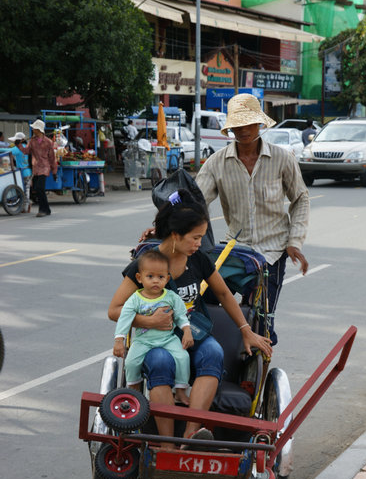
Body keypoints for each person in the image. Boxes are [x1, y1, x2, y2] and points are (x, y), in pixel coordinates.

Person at [108, 189, 272, 445]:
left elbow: (225, 294)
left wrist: (245, 330)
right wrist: (149, 321)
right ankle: (166, 442)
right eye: (195, 238)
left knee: (213, 353)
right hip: (154, 338)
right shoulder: (147, 265)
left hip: (191, 332)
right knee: (160, 361)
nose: (199, 243)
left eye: (201, 237)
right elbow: (115, 309)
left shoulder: (199, 261)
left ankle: (190, 434)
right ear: (175, 236)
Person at [195, 93, 310, 346]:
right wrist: (161, 227)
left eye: (248, 123)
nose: (243, 130)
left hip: (272, 251)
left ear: (259, 124)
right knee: (201, 304)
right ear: (231, 127)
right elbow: (193, 203)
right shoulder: (216, 163)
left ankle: (255, 376)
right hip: (235, 250)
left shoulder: (282, 159)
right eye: (238, 124)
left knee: (262, 323)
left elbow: (300, 199)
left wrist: (294, 242)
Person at [113, 249, 193, 406]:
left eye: (161, 277)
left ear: (167, 279)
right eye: (150, 276)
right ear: (139, 278)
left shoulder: (171, 297)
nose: (155, 281)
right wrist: (118, 340)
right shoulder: (135, 299)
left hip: (167, 338)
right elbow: (125, 319)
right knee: (131, 362)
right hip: (143, 341)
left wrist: (187, 331)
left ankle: (181, 391)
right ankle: (134, 390)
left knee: (183, 357)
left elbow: (181, 316)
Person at [18, 119, 57, 217]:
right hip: (36, 168)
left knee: (40, 188)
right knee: (37, 189)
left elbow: (52, 157)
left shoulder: (48, 142)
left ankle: (42, 210)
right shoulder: (32, 141)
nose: (33, 130)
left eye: (34, 128)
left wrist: (54, 171)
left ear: (39, 130)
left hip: (45, 167)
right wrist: (18, 144)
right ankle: (47, 209)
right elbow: (26, 151)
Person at [8, 132, 32, 213]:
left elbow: (7, 151)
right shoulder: (27, 147)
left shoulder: (18, 148)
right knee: (27, 190)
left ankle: (25, 207)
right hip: (28, 171)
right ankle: (27, 205)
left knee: (23, 190)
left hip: (22, 173)